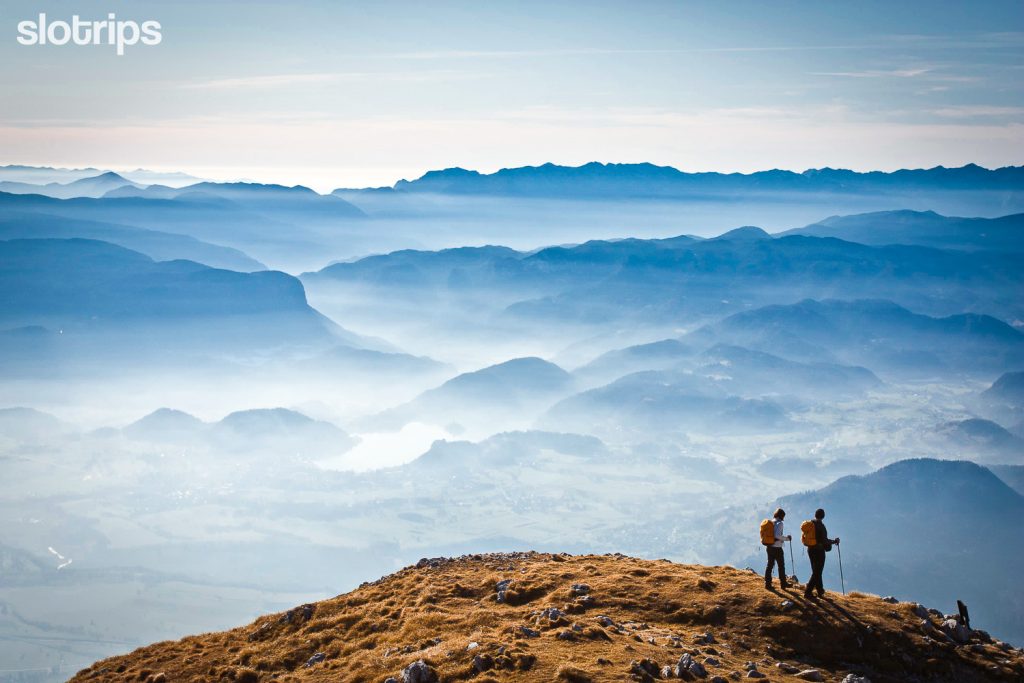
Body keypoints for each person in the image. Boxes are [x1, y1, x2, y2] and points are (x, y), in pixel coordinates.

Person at [804, 508, 840, 599]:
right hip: (819, 551)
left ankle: (820, 591)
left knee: (816, 571)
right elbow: (824, 540)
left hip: (810, 550)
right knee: (817, 572)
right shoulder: (821, 526)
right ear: (823, 516)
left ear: (815, 514)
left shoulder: (810, 524)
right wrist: (834, 541)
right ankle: (808, 592)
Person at [764, 507, 792, 589]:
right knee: (781, 566)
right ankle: (783, 584)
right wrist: (787, 538)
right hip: (777, 548)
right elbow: (777, 535)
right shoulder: (780, 523)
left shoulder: (771, 522)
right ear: (781, 516)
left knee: (769, 565)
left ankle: (767, 584)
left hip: (769, 546)